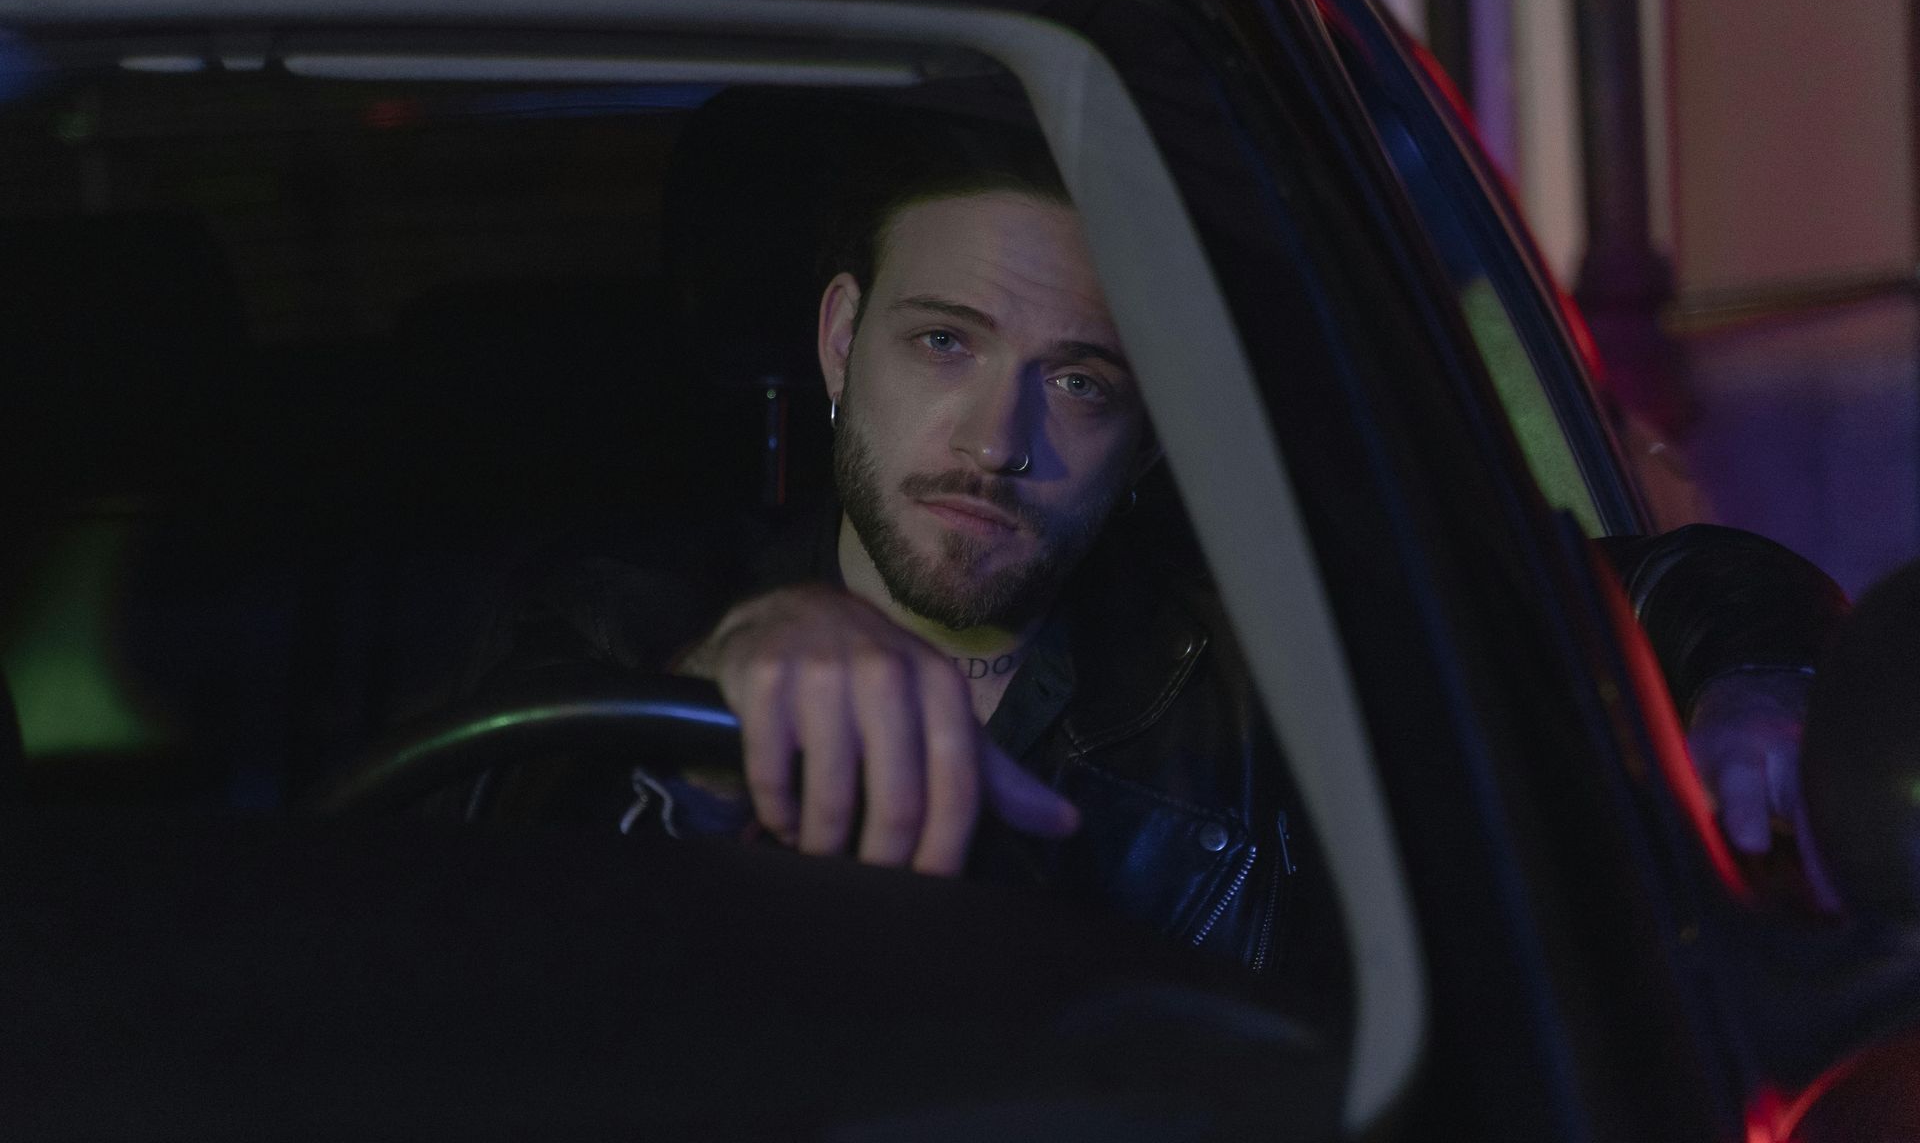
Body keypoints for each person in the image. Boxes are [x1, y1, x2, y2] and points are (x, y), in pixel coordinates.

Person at [485, 116, 1846, 969]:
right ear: (843, 337)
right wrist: (709, 721)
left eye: (1080, 380)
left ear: (1144, 428)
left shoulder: (1259, 672)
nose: (999, 436)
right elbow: (458, 935)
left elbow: (1663, 595)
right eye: (945, 341)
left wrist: (1767, 691)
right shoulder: (615, 629)